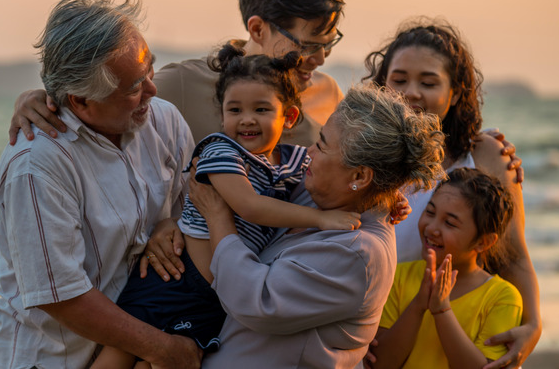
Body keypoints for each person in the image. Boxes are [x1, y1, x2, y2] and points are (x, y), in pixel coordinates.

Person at [92, 45, 361, 369]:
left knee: (158, 363)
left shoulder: (293, 160)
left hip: (214, 299)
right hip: (177, 278)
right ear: (222, 115)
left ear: (288, 117)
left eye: (261, 110)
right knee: (120, 354)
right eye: (234, 110)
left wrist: (388, 199)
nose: (246, 120)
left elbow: (339, 170)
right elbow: (249, 206)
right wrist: (321, 219)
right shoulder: (221, 152)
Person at [0, 0, 201, 368]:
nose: (152, 90)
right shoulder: (37, 164)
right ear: (81, 101)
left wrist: (171, 224)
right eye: (135, 86)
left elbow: (197, 210)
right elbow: (60, 295)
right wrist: (163, 349)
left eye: (151, 69)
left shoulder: (164, 120)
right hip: (58, 359)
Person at [185, 84, 446, 368]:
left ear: (359, 175)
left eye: (321, 145)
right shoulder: (324, 194)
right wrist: (174, 227)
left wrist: (216, 216)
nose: (308, 151)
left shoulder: (358, 252)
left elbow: (257, 301)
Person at [8, 0, 346, 149]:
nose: (318, 59)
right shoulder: (182, 84)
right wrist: (38, 100)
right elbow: (99, 106)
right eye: (306, 47)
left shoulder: (328, 94)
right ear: (257, 28)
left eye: (327, 45)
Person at [362, 20, 540, 368]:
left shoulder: (486, 154)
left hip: (452, 340)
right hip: (380, 343)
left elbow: (514, 254)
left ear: (456, 92)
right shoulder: (363, 156)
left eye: (428, 82)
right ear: (383, 86)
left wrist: (532, 326)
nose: (411, 92)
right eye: (399, 80)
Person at [374, 167, 522, 368]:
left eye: (450, 223)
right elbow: (380, 363)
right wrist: (418, 304)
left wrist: (442, 309)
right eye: (430, 212)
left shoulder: (502, 298)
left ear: (484, 242)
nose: (432, 228)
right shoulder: (397, 276)